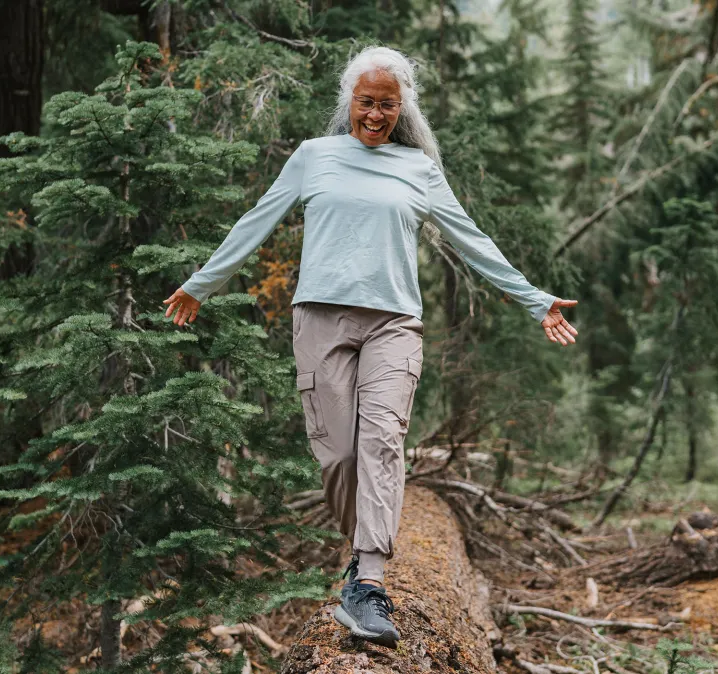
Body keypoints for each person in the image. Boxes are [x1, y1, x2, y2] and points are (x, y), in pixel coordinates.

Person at [163, 45, 578, 647]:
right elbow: (257, 218)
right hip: (320, 320)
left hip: (393, 325)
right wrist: (202, 283)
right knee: (339, 456)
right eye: (367, 102)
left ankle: (369, 586)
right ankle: (360, 557)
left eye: (387, 104)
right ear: (348, 102)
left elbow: (473, 241)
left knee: (382, 442)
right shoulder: (315, 158)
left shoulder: (419, 169)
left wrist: (536, 300)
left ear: (402, 106)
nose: (376, 114)